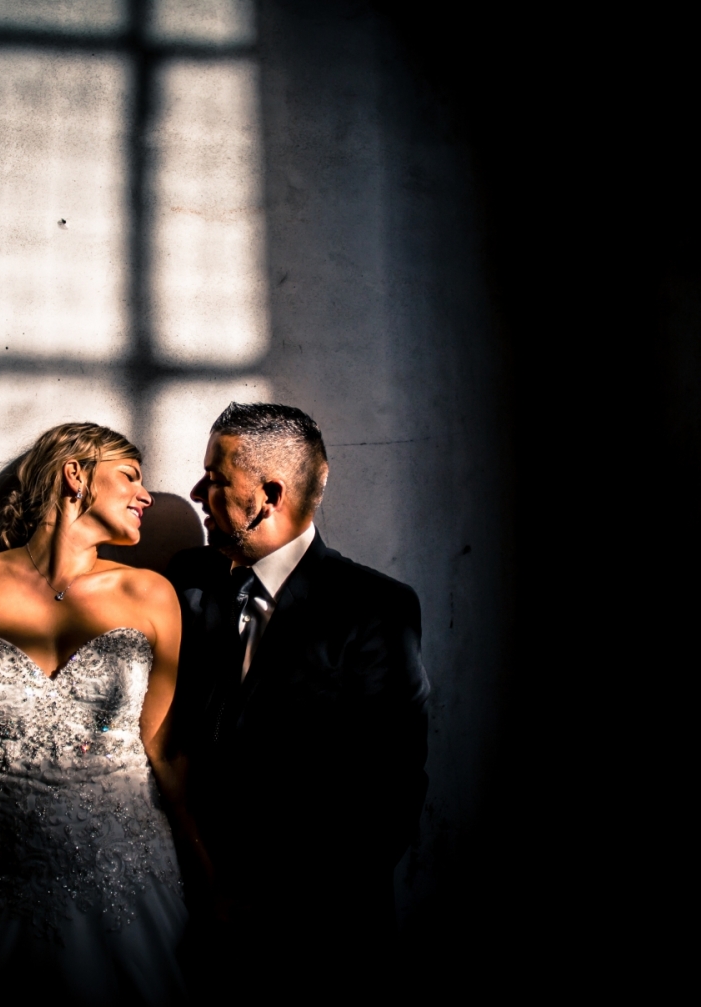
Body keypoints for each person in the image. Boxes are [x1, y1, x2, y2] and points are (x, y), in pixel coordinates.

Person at [0, 423, 200, 1004]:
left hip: (126, 873)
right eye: (130, 477)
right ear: (75, 475)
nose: (146, 495)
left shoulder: (151, 595)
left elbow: (164, 749)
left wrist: (210, 874)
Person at [164, 403, 432, 999]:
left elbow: (392, 785)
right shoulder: (187, 583)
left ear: (270, 494)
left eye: (215, 478)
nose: (197, 491)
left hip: (318, 941)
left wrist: (277, 905)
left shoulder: (374, 609)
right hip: (184, 919)